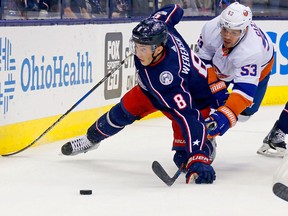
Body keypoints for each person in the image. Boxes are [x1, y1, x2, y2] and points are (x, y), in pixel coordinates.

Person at [61, 4, 217, 184]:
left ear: (158, 49)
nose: (137, 52)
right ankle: (91, 139)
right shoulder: (160, 27)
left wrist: (197, 157)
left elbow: (189, 117)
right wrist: (151, 22)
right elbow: (175, 9)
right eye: (136, 46)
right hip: (151, 92)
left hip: (192, 100)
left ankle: (207, 146)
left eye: (143, 49)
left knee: (183, 158)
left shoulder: (169, 78)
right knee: (119, 114)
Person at [195, 2, 274, 139]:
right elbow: (202, 61)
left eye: (234, 32)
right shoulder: (210, 28)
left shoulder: (252, 51)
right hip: (222, 63)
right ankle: (207, 143)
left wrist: (224, 117)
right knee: (204, 98)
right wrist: (215, 85)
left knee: (245, 113)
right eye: (225, 29)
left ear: (244, 30)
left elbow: (244, 91)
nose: (227, 36)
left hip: (262, 65)